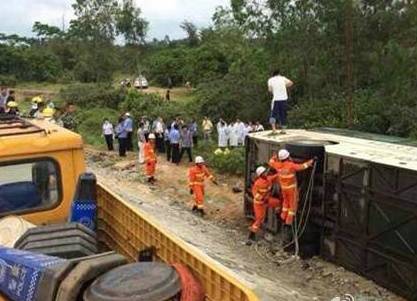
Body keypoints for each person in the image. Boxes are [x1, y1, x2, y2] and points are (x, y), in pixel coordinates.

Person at [269, 149, 314, 243]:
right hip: (291, 190)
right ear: (287, 157)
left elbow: (271, 162)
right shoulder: (291, 166)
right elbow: (302, 166)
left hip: (284, 189)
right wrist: (311, 161)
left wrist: (274, 157)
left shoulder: (278, 165)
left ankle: (282, 218)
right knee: (292, 208)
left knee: (285, 205)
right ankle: (288, 225)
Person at [246, 166, 281, 245]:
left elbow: (275, 176)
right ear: (261, 175)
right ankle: (251, 236)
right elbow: (255, 195)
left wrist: (282, 171)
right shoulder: (258, 183)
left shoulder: (268, 179)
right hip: (259, 203)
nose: (267, 173)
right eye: (265, 172)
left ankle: (278, 216)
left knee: (278, 202)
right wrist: (263, 198)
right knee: (259, 219)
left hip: (266, 200)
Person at [268, 69, 294, 134]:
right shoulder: (283, 78)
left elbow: (270, 89)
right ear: (279, 74)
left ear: (273, 75)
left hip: (276, 99)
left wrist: (274, 90)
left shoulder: (270, 80)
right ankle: (283, 130)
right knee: (283, 114)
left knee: (273, 114)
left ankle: (274, 130)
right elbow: (291, 83)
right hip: (284, 99)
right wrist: (283, 87)